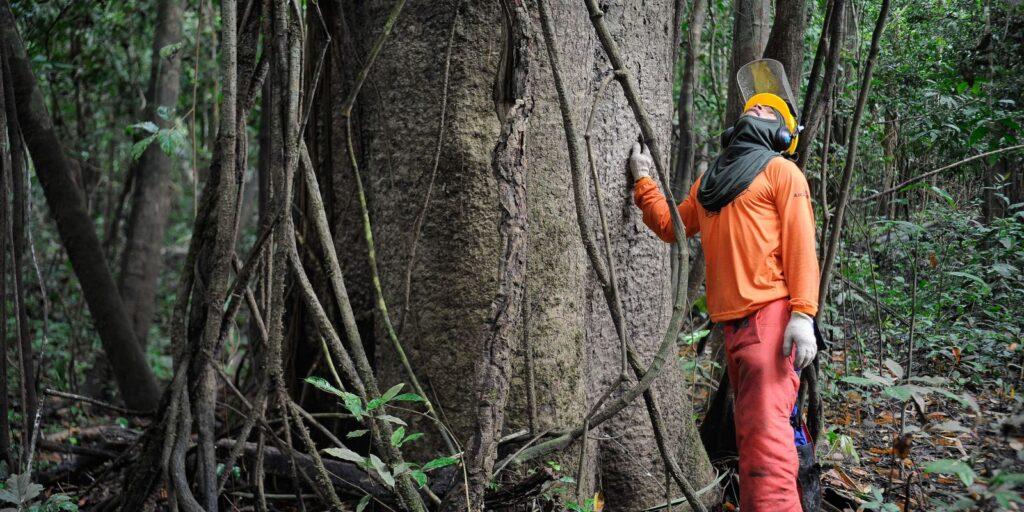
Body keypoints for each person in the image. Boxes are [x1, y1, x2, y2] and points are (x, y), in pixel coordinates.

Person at [629, 95, 819, 511]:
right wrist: (642, 181)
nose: (757, 111)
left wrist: (803, 315)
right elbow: (671, 226)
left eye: (771, 112)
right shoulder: (711, 182)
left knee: (767, 447)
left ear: (784, 135)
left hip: (771, 321)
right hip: (733, 330)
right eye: (752, 107)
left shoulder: (782, 172)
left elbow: (802, 245)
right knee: (753, 438)